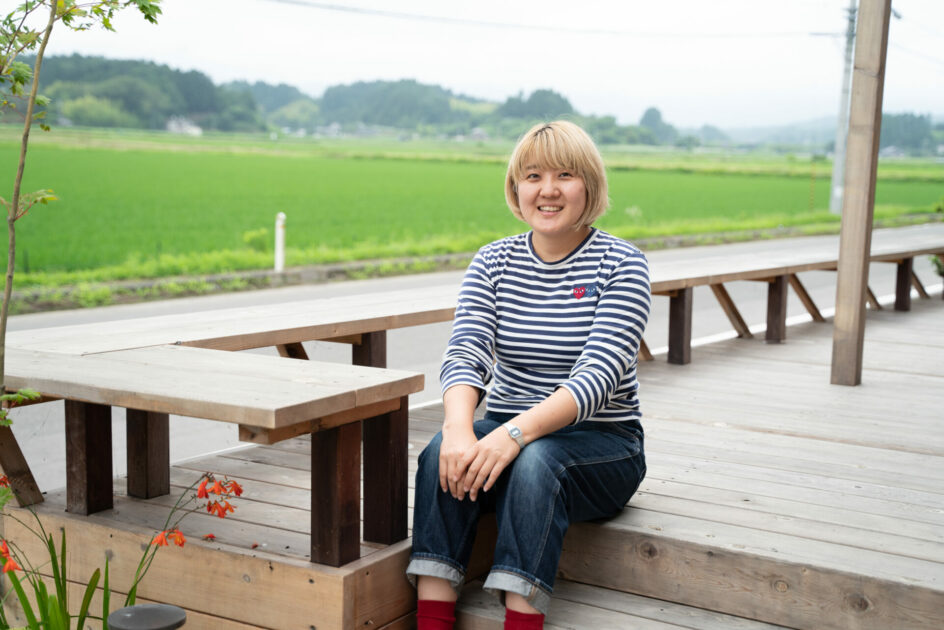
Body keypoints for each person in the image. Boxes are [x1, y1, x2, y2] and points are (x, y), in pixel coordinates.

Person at [406, 120, 650, 630]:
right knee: (440, 452)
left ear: (590, 185)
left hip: (602, 444)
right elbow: (467, 351)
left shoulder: (622, 263)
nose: (548, 190)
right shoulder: (493, 261)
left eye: (565, 175)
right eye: (533, 176)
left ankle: (521, 621)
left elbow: (598, 375)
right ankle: (432, 618)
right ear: (517, 187)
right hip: (508, 433)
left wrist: (513, 435)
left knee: (538, 461)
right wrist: (458, 429)